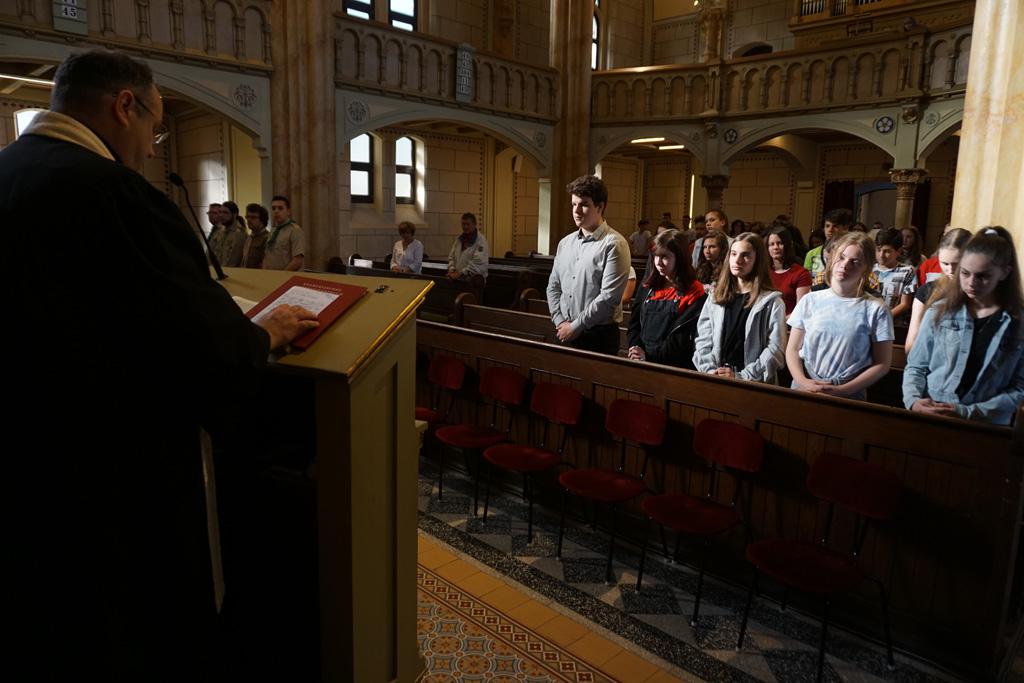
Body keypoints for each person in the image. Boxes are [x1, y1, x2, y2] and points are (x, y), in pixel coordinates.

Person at [0, 49, 318, 677]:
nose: (151, 147)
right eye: (154, 127)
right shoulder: (115, 193)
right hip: (108, 482)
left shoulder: (8, 170)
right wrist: (265, 336)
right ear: (125, 105)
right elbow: (201, 348)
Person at [903, 227, 1024, 425]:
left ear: (1005, 272)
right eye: (965, 273)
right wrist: (914, 401)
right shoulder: (940, 310)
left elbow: (1020, 387)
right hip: (932, 413)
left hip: (986, 424)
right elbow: (916, 366)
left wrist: (968, 412)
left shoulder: (1018, 322)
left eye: (983, 276)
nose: (971, 283)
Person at [787, 232, 894, 400]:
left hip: (848, 393)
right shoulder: (810, 300)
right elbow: (792, 349)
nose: (845, 265)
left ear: (866, 268)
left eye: (855, 261)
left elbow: (882, 363)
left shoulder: (876, 309)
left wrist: (842, 390)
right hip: (805, 388)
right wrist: (804, 382)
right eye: (841, 257)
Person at [547, 174, 630, 354]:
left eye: (584, 204)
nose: (576, 211)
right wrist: (560, 321)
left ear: (600, 207)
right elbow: (553, 287)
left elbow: (609, 298)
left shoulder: (614, 244)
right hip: (564, 330)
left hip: (598, 336)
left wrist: (575, 326)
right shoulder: (565, 243)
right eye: (573, 204)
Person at [694, 233, 786, 383]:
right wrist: (710, 370)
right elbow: (703, 338)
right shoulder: (716, 296)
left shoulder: (771, 302)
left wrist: (742, 377)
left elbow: (775, 350)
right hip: (714, 377)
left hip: (752, 384)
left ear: (757, 260)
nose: (737, 260)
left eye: (745, 255)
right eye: (734, 254)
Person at [627, 230, 706, 368]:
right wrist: (635, 348)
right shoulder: (648, 287)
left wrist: (649, 357)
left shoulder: (694, 292)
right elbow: (634, 324)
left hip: (673, 366)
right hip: (641, 361)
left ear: (680, 258)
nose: (658, 263)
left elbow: (680, 340)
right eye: (656, 256)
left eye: (665, 257)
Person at [905, 228, 971, 352]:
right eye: (945, 263)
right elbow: (912, 342)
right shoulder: (926, 291)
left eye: (956, 264)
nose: (950, 270)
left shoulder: (976, 292)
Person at [872, 227, 917, 322]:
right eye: (878, 250)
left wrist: (883, 319)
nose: (881, 255)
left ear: (899, 251)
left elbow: (904, 304)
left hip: (893, 323)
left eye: (887, 251)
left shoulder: (907, 271)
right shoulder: (869, 269)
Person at [766, 226, 811, 316]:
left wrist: (778, 321)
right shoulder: (764, 271)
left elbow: (800, 311)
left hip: (788, 322)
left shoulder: (801, 273)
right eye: (771, 244)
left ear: (789, 245)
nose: (775, 247)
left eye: (780, 243)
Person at [804, 208, 851, 285]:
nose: (830, 230)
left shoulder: (851, 253)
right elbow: (806, 282)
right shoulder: (811, 254)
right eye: (827, 226)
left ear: (845, 228)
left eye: (835, 226)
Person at [264, 194, 307, 271]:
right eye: (273, 208)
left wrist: (282, 275)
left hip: (287, 276)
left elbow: (297, 261)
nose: (276, 211)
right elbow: (267, 255)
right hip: (270, 275)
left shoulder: (295, 231)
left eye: (280, 208)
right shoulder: (273, 231)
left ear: (288, 211)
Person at [447, 212, 489, 280]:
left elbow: (477, 263)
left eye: (468, 224)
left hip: (474, 281)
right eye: (463, 224)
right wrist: (452, 270)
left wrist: (460, 273)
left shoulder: (481, 241)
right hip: (458, 279)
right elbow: (451, 257)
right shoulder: (459, 239)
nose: (465, 227)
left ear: (474, 224)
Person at [210, 200, 244, 267]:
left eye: (225, 213)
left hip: (230, 271)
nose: (221, 215)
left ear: (234, 215)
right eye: (220, 212)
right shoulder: (220, 231)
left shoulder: (239, 234)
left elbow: (233, 260)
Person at [241, 202, 270, 269]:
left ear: (262, 220)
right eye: (247, 217)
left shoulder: (267, 238)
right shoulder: (249, 238)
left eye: (253, 217)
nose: (249, 220)